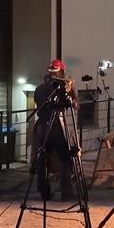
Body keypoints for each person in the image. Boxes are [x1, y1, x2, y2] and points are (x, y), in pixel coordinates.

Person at [33, 59, 79, 201]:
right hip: (57, 126)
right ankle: (66, 192)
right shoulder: (61, 89)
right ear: (61, 72)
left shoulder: (39, 89)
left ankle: (44, 192)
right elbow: (74, 105)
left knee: (43, 160)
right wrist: (70, 91)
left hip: (42, 126)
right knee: (66, 159)